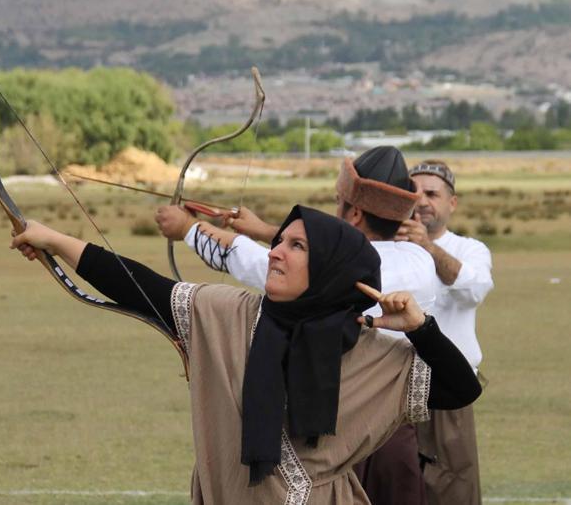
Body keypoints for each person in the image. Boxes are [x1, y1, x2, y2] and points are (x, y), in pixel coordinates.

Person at [11, 204, 482, 505]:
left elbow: (461, 390)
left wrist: (422, 330)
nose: (276, 253)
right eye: (279, 241)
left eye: (297, 246)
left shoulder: (371, 349)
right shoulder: (227, 314)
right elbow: (139, 287)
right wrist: (53, 238)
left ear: (332, 269)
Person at [156, 146, 437, 504]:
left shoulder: (329, 273)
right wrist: (265, 229)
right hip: (390, 428)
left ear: (352, 212)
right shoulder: (420, 260)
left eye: (339, 201)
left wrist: (188, 229)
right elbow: (331, 250)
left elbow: (252, 260)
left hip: (327, 431)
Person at [397, 160, 494, 505]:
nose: (421, 200)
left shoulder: (469, 249)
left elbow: (474, 289)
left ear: (451, 203)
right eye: (414, 191)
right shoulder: (390, 247)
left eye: (432, 193)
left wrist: (428, 248)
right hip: (392, 390)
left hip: (448, 390)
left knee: (452, 485)